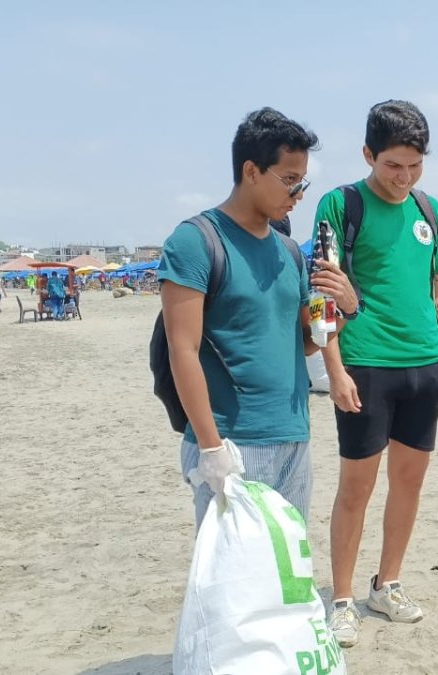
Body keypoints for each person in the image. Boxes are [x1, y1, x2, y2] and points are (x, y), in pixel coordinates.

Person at [157, 106, 354, 529]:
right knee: (234, 568)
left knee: (287, 564)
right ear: (251, 171)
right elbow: (182, 349)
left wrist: (346, 309)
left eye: (303, 182)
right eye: (289, 179)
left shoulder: (290, 252)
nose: (298, 193)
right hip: (232, 440)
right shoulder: (196, 241)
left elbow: (305, 341)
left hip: (293, 435)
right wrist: (211, 447)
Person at [314, 100, 438, 648]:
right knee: (356, 487)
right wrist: (334, 369)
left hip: (426, 366)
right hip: (365, 366)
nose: (404, 177)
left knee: (409, 483)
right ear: (368, 154)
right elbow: (321, 294)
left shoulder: (429, 209)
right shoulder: (340, 203)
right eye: (393, 165)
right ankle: (343, 599)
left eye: (415, 166)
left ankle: (387, 584)